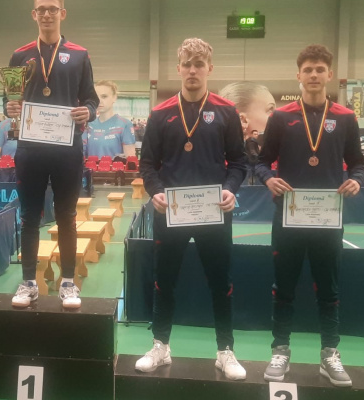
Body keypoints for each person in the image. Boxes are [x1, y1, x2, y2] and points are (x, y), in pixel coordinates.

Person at [135, 38, 247, 380]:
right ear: (178, 68)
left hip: (214, 212)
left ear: (209, 68)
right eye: (187, 64)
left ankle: (225, 351)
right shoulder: (160, 113)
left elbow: (239, 162)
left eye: (199, 64)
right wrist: (155, 192)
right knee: (164, 281)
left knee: (221, 282)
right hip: (171, 213)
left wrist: (230, 189)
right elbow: (147, 165)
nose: (193, 70)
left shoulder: (226, 112)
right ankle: (160, 346)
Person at [255, 44, 364, 387]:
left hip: (327, 219)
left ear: (329, 74)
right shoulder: (281, 117)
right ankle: (280, 350)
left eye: (320, 69)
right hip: (288, 217)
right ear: (298, 75)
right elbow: (261, 161)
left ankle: (330, 353)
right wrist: (268, 179)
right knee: (283, 287)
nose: (314, 75)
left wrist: (356, 180)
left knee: (329, 288)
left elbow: (358, 163)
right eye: (308, 70)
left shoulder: (345, 117)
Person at [5, 0, 98, 309]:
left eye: (53, 9)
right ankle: (28, 282)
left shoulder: (80, 55)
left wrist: (88, 111)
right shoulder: (20, 55)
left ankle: (68, 283)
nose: (47, 14)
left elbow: (91, 99)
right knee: (29, 216)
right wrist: (9, 107)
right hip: (30, 148)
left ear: (62, 13)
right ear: (34, 15)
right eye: (42, 9)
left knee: (67, 216)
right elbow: (10, 98)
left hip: (67, 148)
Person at [82, 80, 136, 158]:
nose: (99, 101)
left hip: (114, 166)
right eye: (96, 97)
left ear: (114, 98)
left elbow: (130, 160)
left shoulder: (125, 124)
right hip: (90, 166)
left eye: (104, 96)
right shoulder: (88, 124)